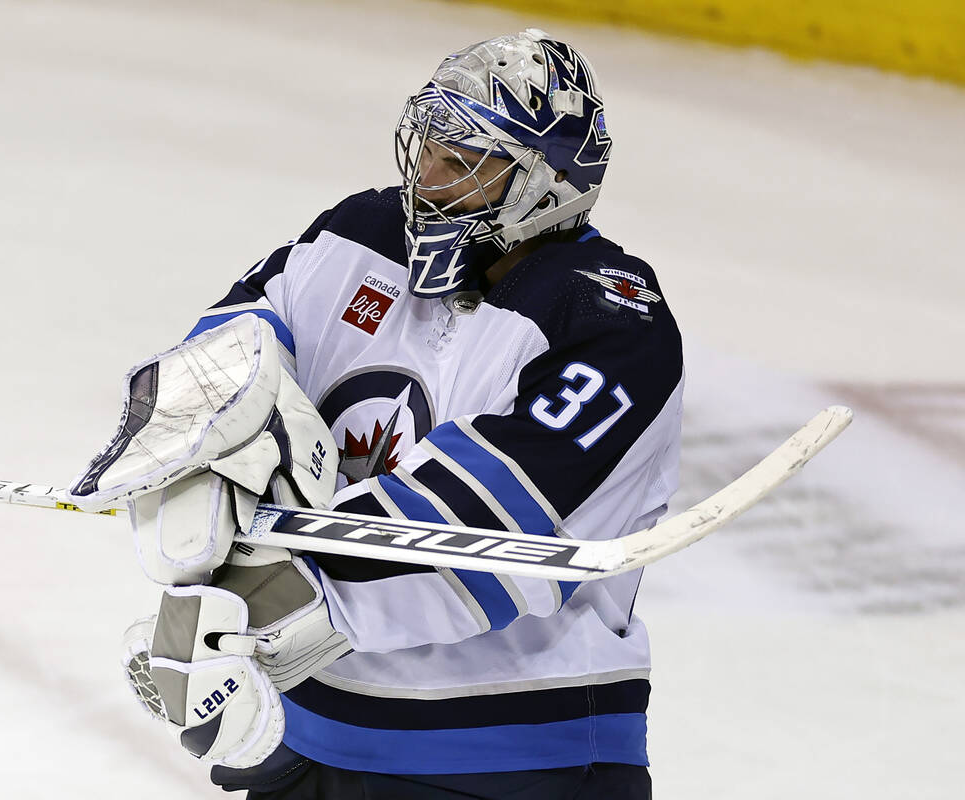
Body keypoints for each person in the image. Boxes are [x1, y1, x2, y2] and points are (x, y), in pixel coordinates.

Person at [92, 28, 682, 800]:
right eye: (430, 145)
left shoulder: (610, 319)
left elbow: (497, 526)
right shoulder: (358, 234)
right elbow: (220, 363)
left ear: (545, 181)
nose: (429, 176)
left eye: (466, 162)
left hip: (518, 763)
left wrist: (270, 608)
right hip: (310, 742)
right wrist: (199, 536)